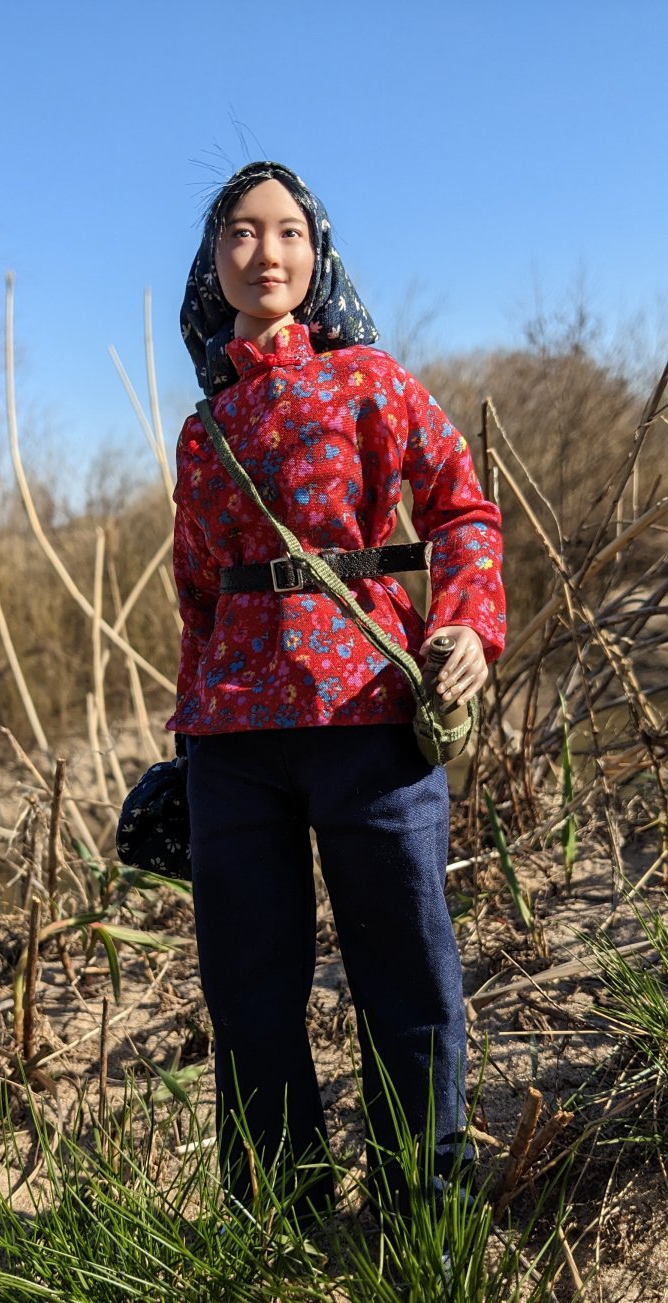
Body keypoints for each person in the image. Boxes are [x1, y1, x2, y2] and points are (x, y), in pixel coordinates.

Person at [169, 161, 505, 1220]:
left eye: (287, 233)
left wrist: (466, 619)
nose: (263, 253)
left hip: (365, 708)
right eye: (239, 233)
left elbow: (462, 507)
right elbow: (195, 594)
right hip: (233, 733)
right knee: (248, 988)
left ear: (317, 257)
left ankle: (425, 1220)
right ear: (213, 258)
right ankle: (280, 1216)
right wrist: (183, 739)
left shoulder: (372, 381)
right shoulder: (200, 427)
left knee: (405, 971)